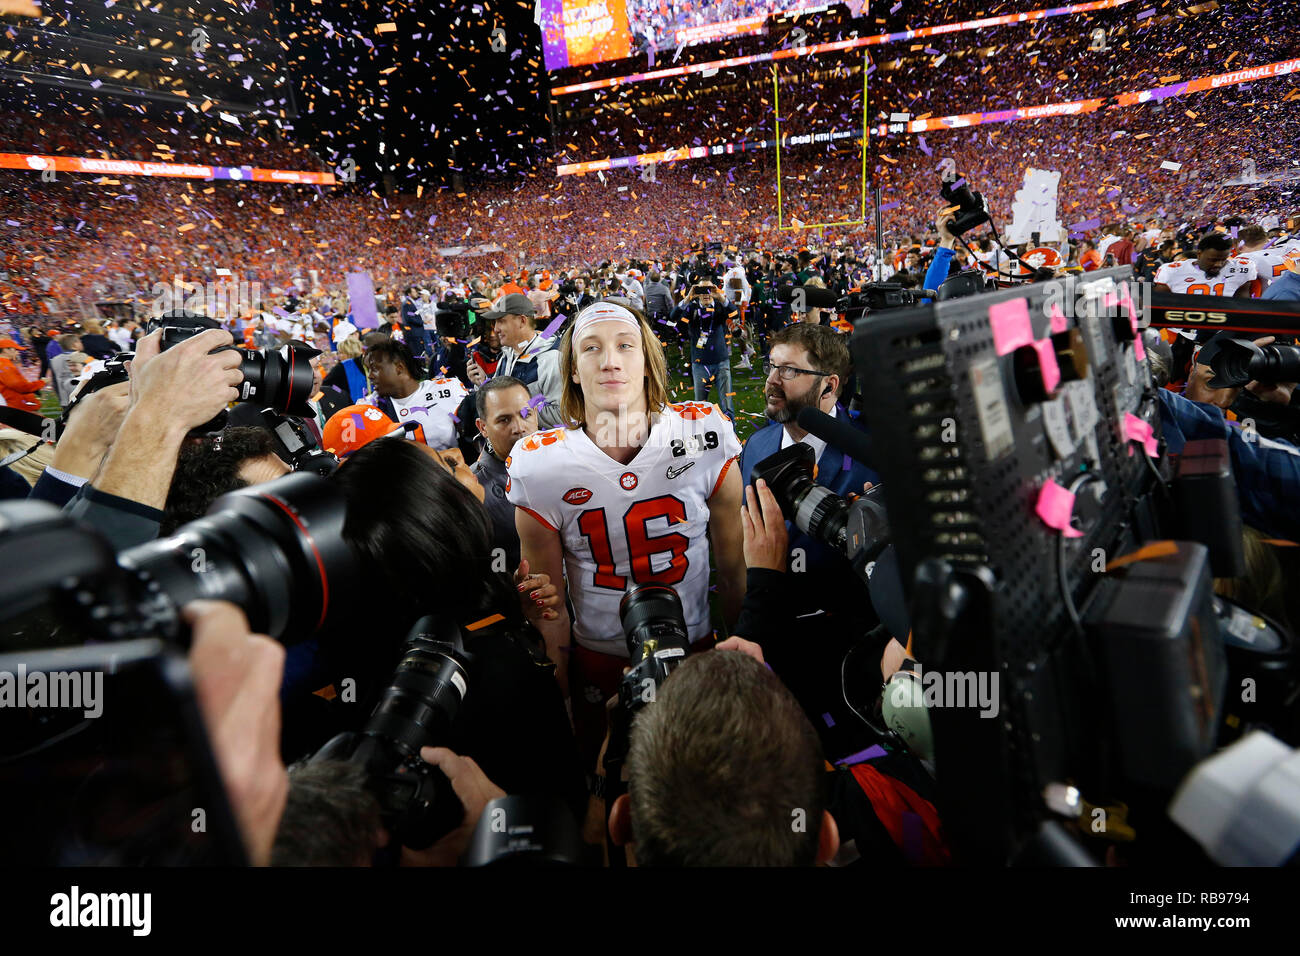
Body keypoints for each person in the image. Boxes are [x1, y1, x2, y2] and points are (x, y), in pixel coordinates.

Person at [506, 300, 746, 767]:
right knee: (611, 788)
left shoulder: (704, 434)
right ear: (573, 371)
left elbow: (734, 571)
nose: (610, 360)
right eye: (591, 349)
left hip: (695, 645)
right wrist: (562, 701)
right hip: (600, 657)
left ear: (646, 359)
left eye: (624, 345)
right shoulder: (542, 465)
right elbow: (550, 608)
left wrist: (741, 651)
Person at [471, 375, 539, 571]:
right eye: (504, 420)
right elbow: (487, 571)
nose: (519, 428)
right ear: (483, 427)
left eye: (526, 414)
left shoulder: (567, 461)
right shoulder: (472, 491)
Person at [363, 338, 467, 451]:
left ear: (399, 368)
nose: (370, 376)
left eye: (374, 369)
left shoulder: (449, 388)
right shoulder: (370, 408)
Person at [482, 292, 565, 428]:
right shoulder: (507, 353)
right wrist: (483, 382)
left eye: (501, 321)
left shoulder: (550, 359)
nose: (496, 329)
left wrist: (516, 411)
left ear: (522, 321)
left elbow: (562, 415)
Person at [671, 280, 737, 421]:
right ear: (697, 292)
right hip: (700, 363)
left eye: (709, 289)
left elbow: (734, 313)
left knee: (727, 407)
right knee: (700, 406)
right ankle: (702, 438)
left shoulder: (720, 306)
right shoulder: (692, 308)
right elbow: (673, 317)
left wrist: (720, 296)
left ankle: (732, 439)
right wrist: (688, 298)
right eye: (702, 290)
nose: (706, 293)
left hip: (721, 362)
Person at [1154, 233, 1257, 297]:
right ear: (1199, 254)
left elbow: (1242, 303)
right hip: (1181, 328)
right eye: (1213, 260)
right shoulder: (1171, 271)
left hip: (1222, 327)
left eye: (1223, 260)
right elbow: (1159, 305)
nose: (1219, 264)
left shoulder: (1242, 268)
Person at [0, 337, 47, 412]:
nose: (18, 352)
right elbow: (21, 386)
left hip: (14, 405)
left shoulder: (5, 364)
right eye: (15, 349)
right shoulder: (5, 365)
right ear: (5, 350)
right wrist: (42, 382)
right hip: (18, 406)